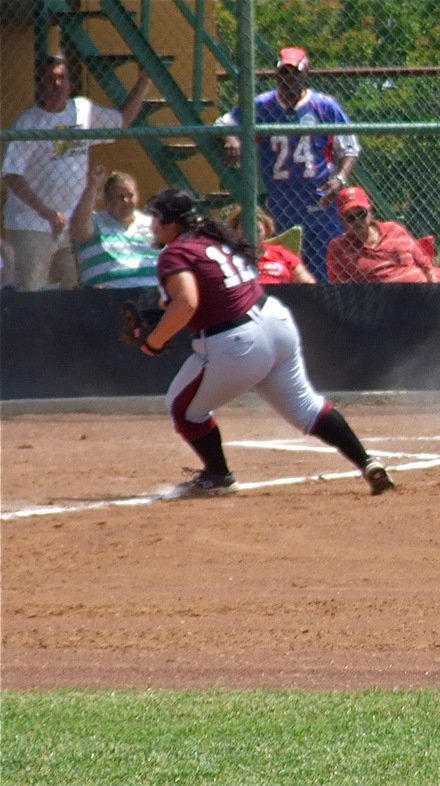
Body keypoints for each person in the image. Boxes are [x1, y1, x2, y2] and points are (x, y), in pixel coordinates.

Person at [137, 188, 394, 497]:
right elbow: (205, 295)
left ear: (171, 224)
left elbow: (187, 302)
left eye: (156, 219)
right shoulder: (212, 240)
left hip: (237, 342)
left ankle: (218, 474)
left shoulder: (174, 253)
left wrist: (152, 342)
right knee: (307, 408)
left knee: (182, 407)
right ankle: (367, 462)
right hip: (274, 320)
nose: (153, 226)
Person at [1, 54, 150, 291]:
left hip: (71, 225)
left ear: (70, 83)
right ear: (39, 84)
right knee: (32, 294)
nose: (57, 85)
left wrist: (143, 81)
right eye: (49, 79)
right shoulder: (28, 122)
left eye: (62, 78)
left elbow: (121, 121)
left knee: (72, 291)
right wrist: (45, 211)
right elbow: (12, 175)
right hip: (32, 225)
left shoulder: (82, 109)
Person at [214, 46, 359, 282]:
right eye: (284, 73)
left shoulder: (325, 106)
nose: (288, 79)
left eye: (294, 73)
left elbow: (350, 149)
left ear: (306, 74)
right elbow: (223, 122)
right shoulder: (262, 105)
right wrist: (231, 137)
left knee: (325, 267)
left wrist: (340, 179)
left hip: (321, 199)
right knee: (286, 266)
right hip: (282, 200)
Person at [326, 187, 440, 284]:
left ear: (370, 211)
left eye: (361, 214)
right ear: (341, 220)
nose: (357, 221)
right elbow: (340, 292)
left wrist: (434, 288)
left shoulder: (394, 229)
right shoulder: (339, 248)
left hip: (423, 296)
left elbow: (425, 264)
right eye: (350, 218)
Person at [68, 165, 158, 288]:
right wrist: (93, 186)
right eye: (120, 197)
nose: (126, 200)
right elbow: (78, 230)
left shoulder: (150, 223)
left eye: (130, 195)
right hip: (110, 295)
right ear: (108, 200)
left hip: (153, 293)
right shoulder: (95, 222)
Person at [225, 204, 317, 285]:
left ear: (266, 229)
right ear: (235, 230)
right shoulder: (228, 257)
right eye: (246, 230)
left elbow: (308, 283)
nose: (253, 234)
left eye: (258, 230)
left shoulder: (281, 254)